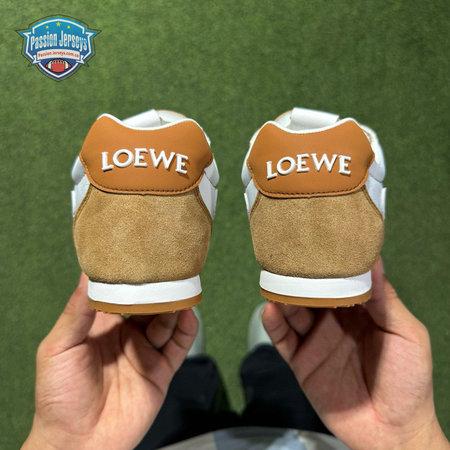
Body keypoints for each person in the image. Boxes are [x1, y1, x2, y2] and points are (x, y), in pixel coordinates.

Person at [22, 259, 448, 449]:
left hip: (161, 443)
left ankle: (193, 371)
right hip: (317, 440)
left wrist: (65, 446)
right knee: (280, 362)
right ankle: (256, 363)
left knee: (172, 367)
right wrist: (407, 441)